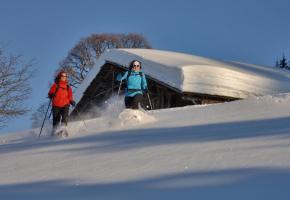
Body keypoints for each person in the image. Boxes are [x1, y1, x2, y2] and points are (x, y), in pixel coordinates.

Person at [48, 71, 75, 136]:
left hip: (65, 104)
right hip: (56, 105)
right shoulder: (55, 85)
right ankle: (55, 132)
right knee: (56, 120)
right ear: (60, 77)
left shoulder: (68, 87)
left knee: (64, 118)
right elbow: (50, 93)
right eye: (62, 76)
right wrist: (51, 95)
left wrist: (71, 101)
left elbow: (70, 96)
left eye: (65, 76)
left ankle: (64, 131)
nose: (64, 77)